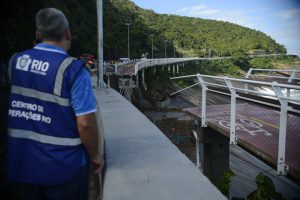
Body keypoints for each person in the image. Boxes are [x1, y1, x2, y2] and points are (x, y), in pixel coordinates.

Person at [6, 8, 104, 199]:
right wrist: (95, 156)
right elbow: (85, 124)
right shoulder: (73, 70)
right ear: (67, 34)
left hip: (22, 164)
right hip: (64, 169)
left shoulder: (15, 62)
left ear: (37, 35)